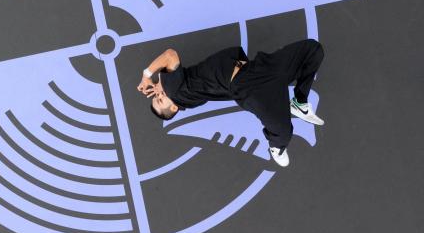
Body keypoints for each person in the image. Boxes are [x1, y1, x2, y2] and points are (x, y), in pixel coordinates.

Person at [137, 40, 325, 167]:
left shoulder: (178, 85)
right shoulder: (176, 91)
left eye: (155, 95)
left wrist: (154, 79)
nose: (157, 92)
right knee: (282, 130)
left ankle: (299, 102)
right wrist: (147, 76)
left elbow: (169, 58)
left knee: (312, 50)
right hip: (251, 89)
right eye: (159, 99)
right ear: (174, 107)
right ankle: (276, 147)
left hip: (255, 69)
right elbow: (170, 55)